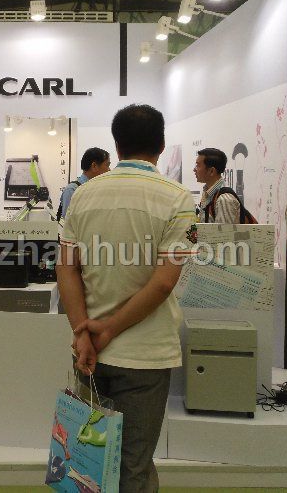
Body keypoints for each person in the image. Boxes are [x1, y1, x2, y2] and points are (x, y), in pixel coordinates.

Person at [58, 104, 195, 493]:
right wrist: (107, 329)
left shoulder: (84, 194)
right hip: (145, 356)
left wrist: (84, 332)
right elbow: (163, 284)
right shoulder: (177, 197)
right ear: (162, 145)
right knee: (133, 466)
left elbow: (66, 268)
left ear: (116, 146)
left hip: (89, 351)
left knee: (88, 463)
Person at [58, 147, 111, 221]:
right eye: (107, 165)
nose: (109, 170)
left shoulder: (100, 189)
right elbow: (68, 221)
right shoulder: (72, 190)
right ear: (94, 166)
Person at [194, 147, 240, 224]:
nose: (194, 169)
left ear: (211, 171)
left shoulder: (224, 200)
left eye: (198, 165)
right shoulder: (208, 193)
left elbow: (224, 231)